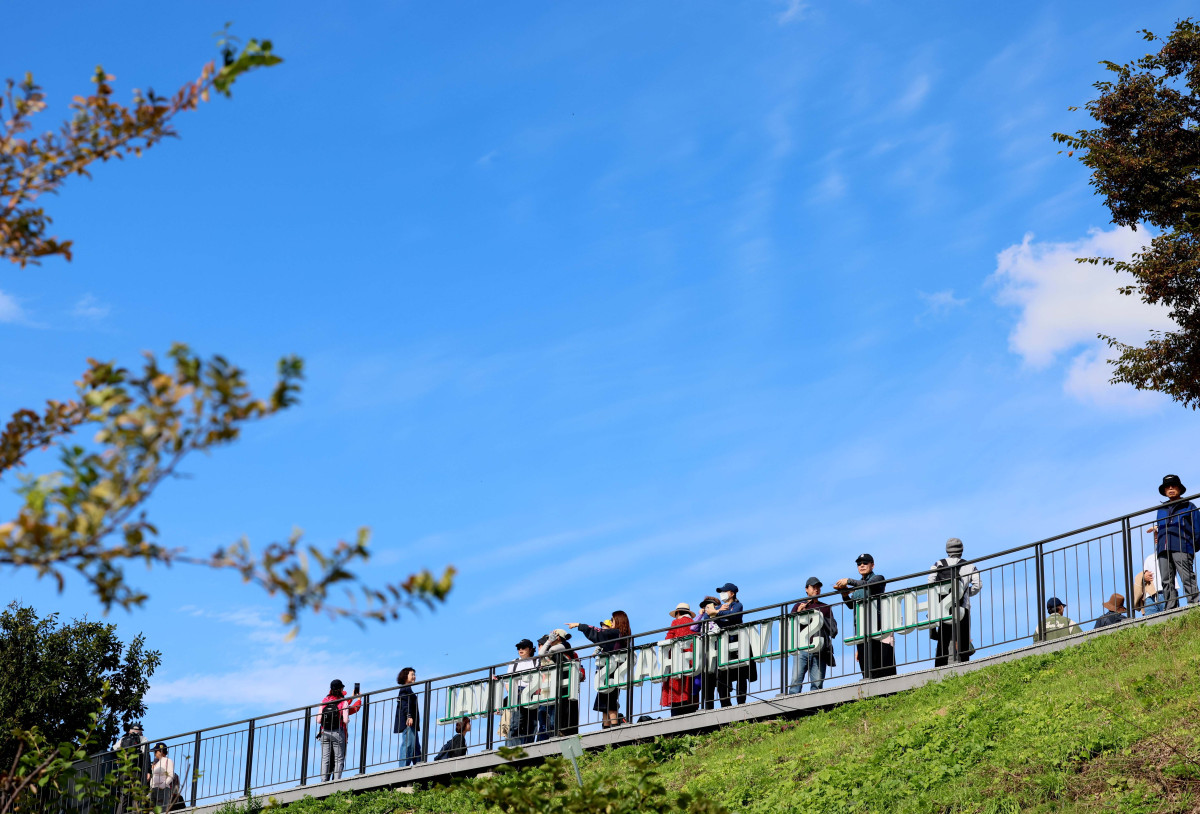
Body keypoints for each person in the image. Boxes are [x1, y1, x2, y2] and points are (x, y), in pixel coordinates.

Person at [835, 553, 897, 679]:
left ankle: (888, 692)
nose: (862, 565)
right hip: (862, 630)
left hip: (878, 627)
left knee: (883, 664)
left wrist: (849, 581)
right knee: (866, 667)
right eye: (859, 564)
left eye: (865, 563)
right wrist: (845, 594)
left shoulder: (878, 578)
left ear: (872, 565)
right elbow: (852, 606)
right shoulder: (858, 586)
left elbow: (869, 585)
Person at [567, 610, 631, 728]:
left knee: (610, 703)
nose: (611, 622)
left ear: (618, 621)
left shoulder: (615, 633)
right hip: (610, 672)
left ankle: (613, 729)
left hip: (610, 672)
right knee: (605, 704)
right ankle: (607, 728)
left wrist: (579, 625)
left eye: (612, 620)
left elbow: (599, 633)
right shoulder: (623, 635)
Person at [1146, 474, 1199, 609]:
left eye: (1173, 486)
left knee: (1187, 577)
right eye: (1167, 487)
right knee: (1166, 580)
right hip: (1163, 548)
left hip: (1182, 546)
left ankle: (1194, 604)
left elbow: (1198, 528)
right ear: (1164, 491)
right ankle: (1170, 607)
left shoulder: (1189, 505)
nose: (1170, 489)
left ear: (1179, 489)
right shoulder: (1161, 509)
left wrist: (1193, 546)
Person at [927, 537, 983, 666]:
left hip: (943, 607)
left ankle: (939, 667)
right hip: (963, 607)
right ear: (961, 550)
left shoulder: (938, 564)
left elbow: (930, 583)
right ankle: (963, 665)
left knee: (943, 639)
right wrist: (967, 592)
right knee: (963, 638)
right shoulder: (970, 565)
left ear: (947, 550)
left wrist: (938, 597)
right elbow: (978, 585)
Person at [788, 577, 836, 694]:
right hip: (802, 648)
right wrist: (797, 613)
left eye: (818, 587)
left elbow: (833, 630)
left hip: (820, 649)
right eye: (813, 587)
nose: (816, 589)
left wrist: (820, 618)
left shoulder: (825, 607)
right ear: (806, 589)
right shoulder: (798, 605)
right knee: (796, 681)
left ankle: (816, 710)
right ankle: (791, 707)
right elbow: (790, 626)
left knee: (817, 683)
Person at [713, 583, 756, 705]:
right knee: (722, 674)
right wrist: (717, 611)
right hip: (723, 645)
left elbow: (733, 615)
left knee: (741, 673)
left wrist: (717, 613)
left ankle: (741, 701)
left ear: (732, 593)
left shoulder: (737, 605)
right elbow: (707, 615)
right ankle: (725, 703)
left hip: (737, 643)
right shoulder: (720, 607)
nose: (722, 594)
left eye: (724, 591)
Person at [315, 679, 362, 781]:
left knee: (325, 758)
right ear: (341, 689)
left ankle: (323, 781)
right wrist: (358, 700)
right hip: (338, 733)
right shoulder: (343, 702)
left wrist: (352, 698)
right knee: (339, 759)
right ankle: (336, 781)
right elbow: (348, 715)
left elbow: (318, 720)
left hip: (324, 732)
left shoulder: (324, 701)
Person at [535, 630, 574, 740]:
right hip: (546, 689)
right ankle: (542, 739)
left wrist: (549, 643)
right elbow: (541, 654)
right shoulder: (549, 651)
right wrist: (548, 642)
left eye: (554, 635)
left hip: (556, 687)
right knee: (542, 713)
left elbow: (551, 650)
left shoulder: (565, 646)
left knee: (553, 715)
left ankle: (554, 737)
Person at [660, 603, 696, 715]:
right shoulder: (695, 624)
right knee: (688, 689)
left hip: (677, 660)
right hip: (691, 661)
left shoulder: (676, 623)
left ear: (678, 613)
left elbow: (668, 640)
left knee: (676, 690)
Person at [691, 597, 725, 709]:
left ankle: (725, 705)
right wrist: (700, 615)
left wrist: (715, 613)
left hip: (718, 650)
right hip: (706, 652)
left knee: (720, 680)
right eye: (704, 606)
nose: (706, 608)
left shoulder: (719, 615)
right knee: (707, 682)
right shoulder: (703, 619)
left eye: (708, 606)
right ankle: (708, 707)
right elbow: (693, 627)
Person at [503, 639, 539, 745]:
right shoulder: (514, 663)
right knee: (516, 722)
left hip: (531, 692)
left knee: (532, 722)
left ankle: (529, 745)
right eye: (519, 648)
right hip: (517, 693)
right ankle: (513, 747)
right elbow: (507, 682)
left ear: (530, 649)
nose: (520, 650)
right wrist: (512, 694)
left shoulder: (536, 661)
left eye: (523, 647)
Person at [113, 723, 148, 814]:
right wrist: (148, 770)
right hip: (135, 768)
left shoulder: (123, 739)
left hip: (123, 769)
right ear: (140, 731)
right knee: (136, 792)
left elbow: (114, 748)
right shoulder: (143, 739)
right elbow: (145, 752)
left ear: (130, 731)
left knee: (123, 794)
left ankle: (120, 812)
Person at [393, 667, 422, 766]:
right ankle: (403, 767)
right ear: (406, 676)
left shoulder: (408, 689)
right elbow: (404, 704)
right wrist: (409, 716)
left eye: (414, 674)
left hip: (411, 722)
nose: (414, 677)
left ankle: (418, 765)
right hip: (408, 722)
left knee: (416, 746)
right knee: (408, 744)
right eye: (412, 674)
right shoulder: (404, 689)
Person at [146, 743, 174, 811]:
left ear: (161, 751)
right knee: (152, 810)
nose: (154, 753)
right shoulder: (157, 763)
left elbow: (171, 775)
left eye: (156, 751)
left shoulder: (168, 761)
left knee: (161, 810)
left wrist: (162, 786)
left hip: (162, 789)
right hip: (153, 789)